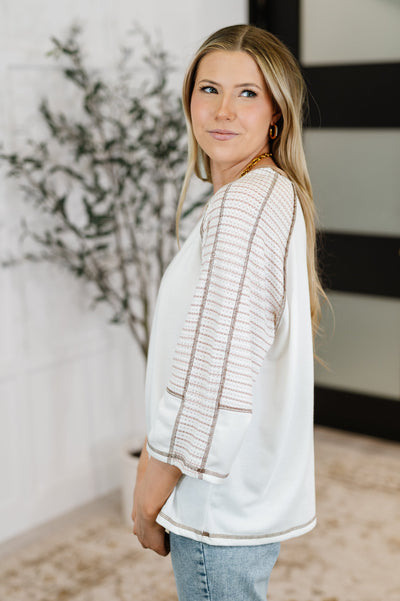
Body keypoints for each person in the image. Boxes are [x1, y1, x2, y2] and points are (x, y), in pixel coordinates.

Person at [132, 23, 326, 601]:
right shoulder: (271, 192)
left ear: (275, 113)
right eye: (209, 89)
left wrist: (148, 495)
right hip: (241, 492)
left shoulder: (243, 207)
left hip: (216, 501)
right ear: (189, 100)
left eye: (247, 93)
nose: (222, 110)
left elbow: (214, 376)